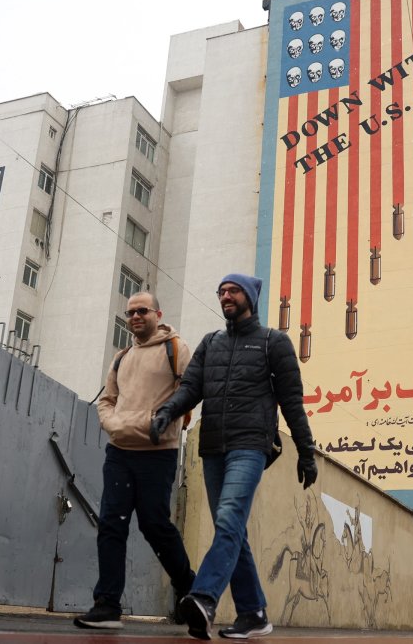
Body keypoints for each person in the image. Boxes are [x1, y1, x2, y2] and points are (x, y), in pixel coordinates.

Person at [150, 273, 317, 640]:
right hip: (212, 448)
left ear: (250, 298)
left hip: (250, 446)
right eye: (222, 290)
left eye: (233, 290)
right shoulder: (211, 344)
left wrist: (307, 453)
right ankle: (253, 613)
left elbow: (291, 401)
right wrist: (167, 412)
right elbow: (191, 388)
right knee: (232, 528)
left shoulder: (274, 342)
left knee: (227, 518)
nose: (225, 295)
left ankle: (204, 598)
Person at [74, 291, 197, 630]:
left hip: (159, 452)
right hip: (120, 451)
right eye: (129, 313)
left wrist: (164, 421)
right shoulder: (121, 357)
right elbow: (107, 400)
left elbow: (191, 390)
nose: (135, 317)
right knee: (112, 523)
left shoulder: (176, 349)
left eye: (142, 311)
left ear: (158, 313)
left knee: (154, 525)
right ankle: (107, 605)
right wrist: (113, 424)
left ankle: (189, 585)